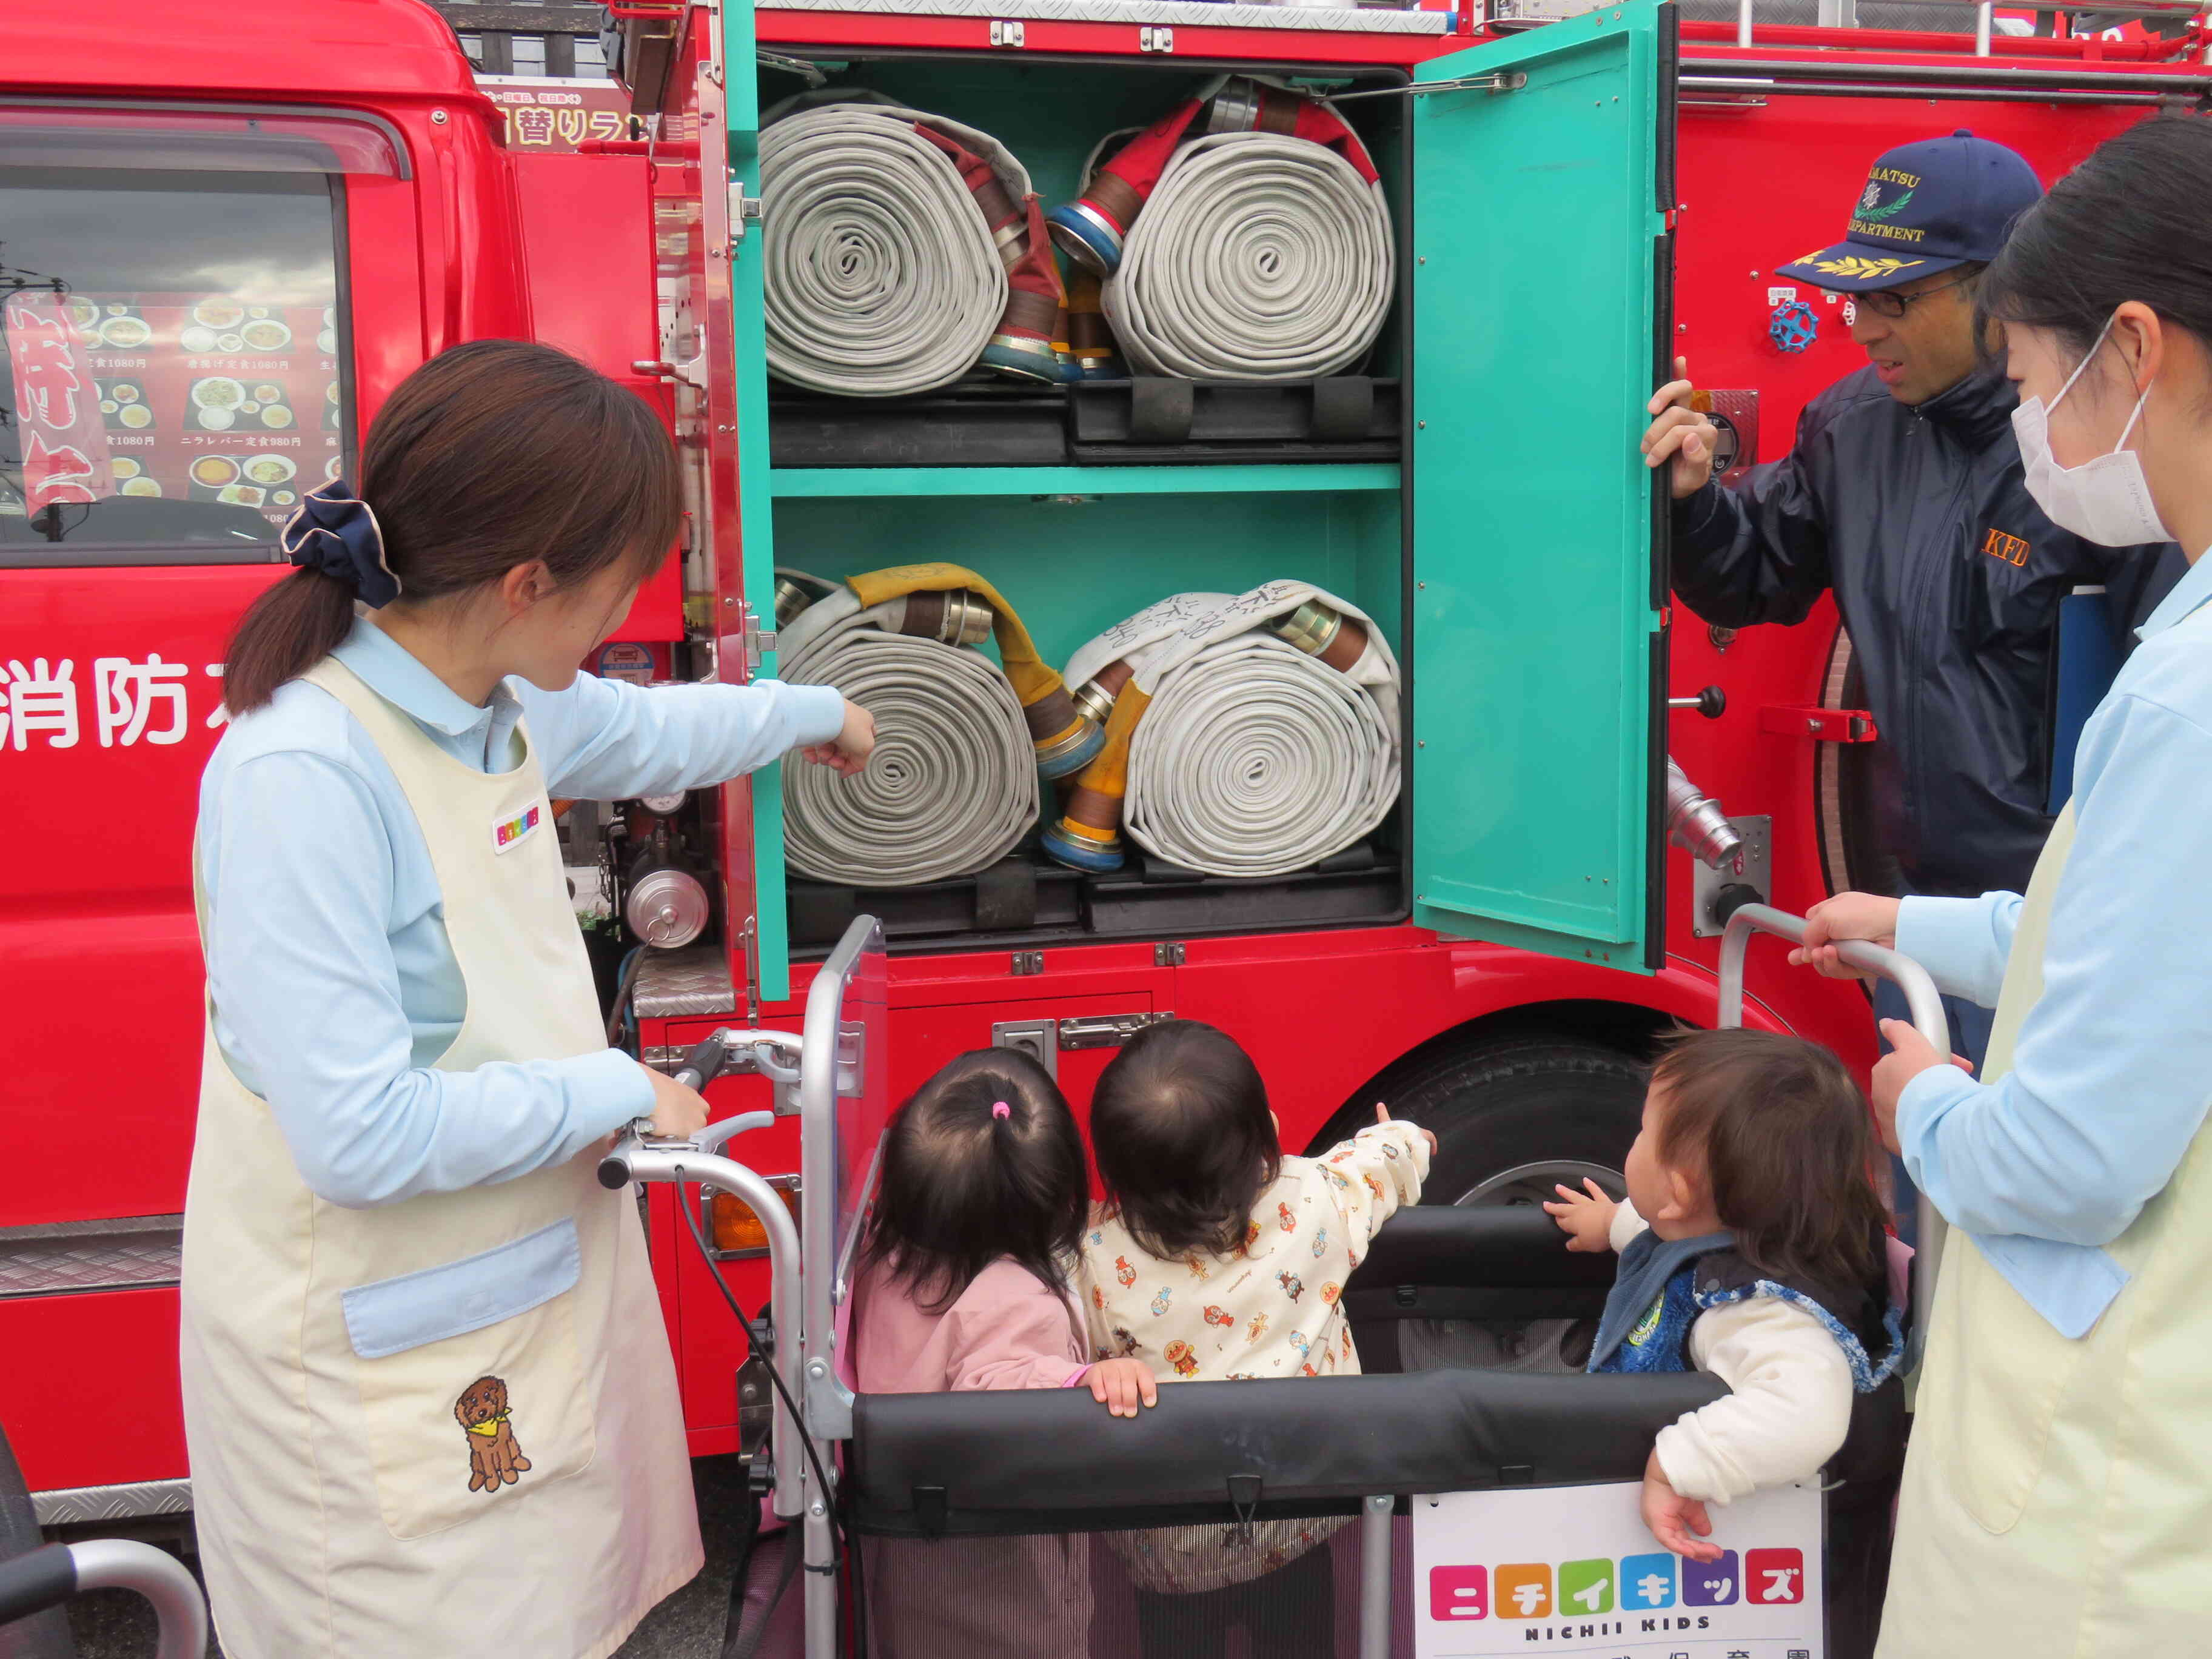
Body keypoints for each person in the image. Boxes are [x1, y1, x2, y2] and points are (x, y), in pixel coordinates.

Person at [181, 340, 875, 1658]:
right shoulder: (302, 779)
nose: (618, 621)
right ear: (524, 583)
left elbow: (651, 732)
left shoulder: (492, 697)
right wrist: (620, 1089)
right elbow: (357, 1135)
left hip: (492, 1302)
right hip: (373, 1352)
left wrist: (809, 711)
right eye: (614, 591)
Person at [1788, 113, 2212, 1657]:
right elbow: (2148, 935)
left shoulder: (2186, 702)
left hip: (2115, 1491)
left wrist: (1923, 1100)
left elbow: (2072, 1160)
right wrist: (1914, 923)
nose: (2028, 424)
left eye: (2034, 383)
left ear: (2136, 350)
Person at [1642, 130, 2181, 1071]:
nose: (1861, 327)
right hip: (1923, 913)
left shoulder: (2100, 447)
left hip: (2079, 925)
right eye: (1852, 297)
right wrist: (1691, 504)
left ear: (2005, 290)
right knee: (1937, 1194)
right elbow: (1755, 571)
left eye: (1894, 298)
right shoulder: (1853, 427)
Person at [1079, 1019, 1432, 1655]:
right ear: (1264, 1144)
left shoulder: (1094, 1261)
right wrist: (1405, 1137)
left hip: (1171, 1542)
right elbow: (1386, 1163)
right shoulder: (1316, 1199)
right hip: (1299, 1509)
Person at [1544, 1030, 1901, 1562]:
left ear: (1679, 1192)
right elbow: (1671, 1243)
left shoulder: (1758, 1312)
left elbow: (1807, 1414)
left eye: (1643, 1132)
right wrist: (1611, 1222)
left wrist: (1682, 1464)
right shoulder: (1722, 1237)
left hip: (1690, 1538)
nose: (1634, 1142)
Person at [852, 1048, 1156, 1659]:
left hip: (905, 1544)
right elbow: (1003, 1393)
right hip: (999, 1575)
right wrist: (1083, 1379)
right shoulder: (1018, 1296)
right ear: (1056, 1196)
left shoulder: (879, 1253)